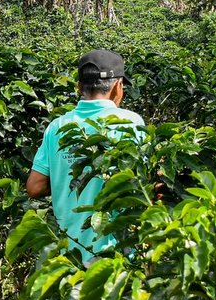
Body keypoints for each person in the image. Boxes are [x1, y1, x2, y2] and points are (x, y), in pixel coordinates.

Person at [25, 49, 144, 260]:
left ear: (79, 86)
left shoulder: (57, 126)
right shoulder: (132, 122)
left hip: (69, 256)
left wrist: (70, 179)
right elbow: (146, 182)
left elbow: (35, 187)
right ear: (118, 86)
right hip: (118, 256)